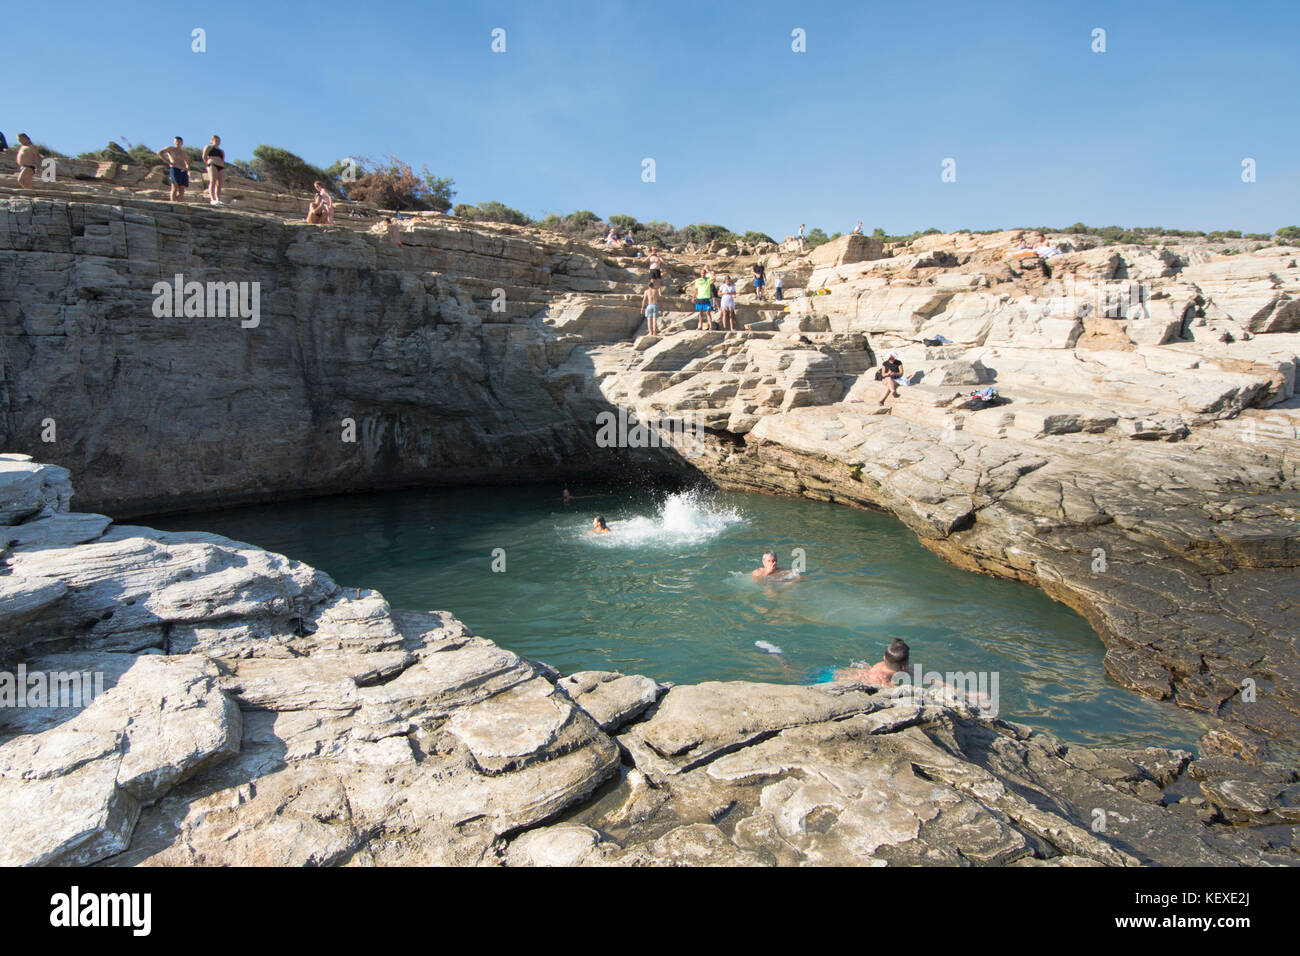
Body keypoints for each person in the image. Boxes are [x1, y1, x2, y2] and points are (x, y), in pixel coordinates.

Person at [833, 639, 909, 686]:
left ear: (884, 657)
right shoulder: (884, 680)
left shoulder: (880, 664)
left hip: (843, 673)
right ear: (905, 665)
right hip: (852, 681)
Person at [158, 136, 190, 201]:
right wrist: (168, 162)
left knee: (182, 189)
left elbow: (187, 162)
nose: (177, 143)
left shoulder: (183, 152)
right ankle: (173, 202)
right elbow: (160, 153)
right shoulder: (171, 148)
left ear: (182, 142)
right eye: (176, 141)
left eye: (178, 141)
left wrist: (187, 168)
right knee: (175, 187)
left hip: (183, 170)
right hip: (175, 168)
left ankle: (178, 202)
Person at [202, 135, 226, 205]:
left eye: (219, 141)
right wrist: (208, 163)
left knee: (219, 183)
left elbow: (223, 160)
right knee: (213, 181)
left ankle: (218, 199)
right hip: (212, 164)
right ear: (212, 141)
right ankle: (212, 199)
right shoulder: (209, 147)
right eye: (216, 140)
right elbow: (204, 156)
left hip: (220, 166)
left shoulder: (221, 151)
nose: (218, 142)